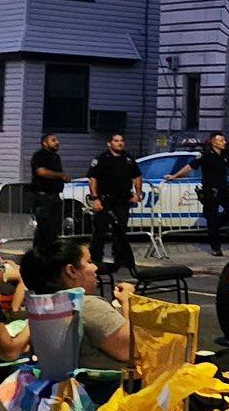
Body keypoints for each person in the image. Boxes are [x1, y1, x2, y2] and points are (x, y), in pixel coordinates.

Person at [19, 238, 134, 369]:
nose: (95, 267)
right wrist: (128, 301)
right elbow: (132, 349)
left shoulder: (42, 306)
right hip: (107, 381)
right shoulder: (88, 307)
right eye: (89, 261)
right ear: (71, 271)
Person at [167, 131, 229, 257]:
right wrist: (175, 176)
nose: (224, 142)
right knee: (211, 220)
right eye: (221, 141)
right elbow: (190, 166)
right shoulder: (205, 155)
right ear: (214, 142)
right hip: (210, 192)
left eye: (224, 140)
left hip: (223, 190)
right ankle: (216, 248)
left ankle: (218, 224)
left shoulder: (225, 153)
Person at [87, 133, 144, 277]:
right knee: (100, 231)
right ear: (109, 143)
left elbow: (137, 176)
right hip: (105, 201)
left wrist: (138, 194)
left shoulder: (128, 159)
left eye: (121, 141)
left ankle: (120, 260)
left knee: (120, 232)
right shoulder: (101, 159)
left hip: (122, 201)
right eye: (116, 141)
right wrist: (95, 198)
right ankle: (96, 260)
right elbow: (93, 179)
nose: (120, 143)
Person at [26, 133, 67, 250]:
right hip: (43, 197)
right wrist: (60, 175)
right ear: (45, 143)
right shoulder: (39, 156)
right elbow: (41, 172)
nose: (57, 142)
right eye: (53, 140)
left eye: (57, 140)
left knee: (51, 228)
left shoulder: (56, 157)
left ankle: (39, 252)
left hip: (55, 196)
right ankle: (50, 251)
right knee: (47, 228)